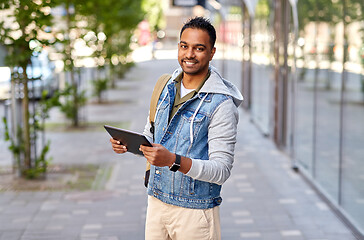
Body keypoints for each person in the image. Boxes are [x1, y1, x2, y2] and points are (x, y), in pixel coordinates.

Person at [110, 17, 243, 240]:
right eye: (184, 46)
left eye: (199, 48)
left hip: (195, 213)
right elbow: (150, 135)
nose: (189, 54)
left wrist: (173, 160)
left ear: (211, 52)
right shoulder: (165, 86)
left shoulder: (222, 104)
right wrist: (129, 144)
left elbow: (221, 171)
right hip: (156, 202)